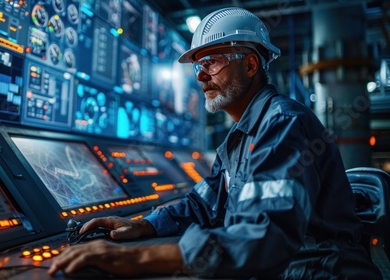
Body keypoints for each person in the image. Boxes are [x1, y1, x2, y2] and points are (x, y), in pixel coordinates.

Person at [48, 7, 382, 279]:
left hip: (316, 272)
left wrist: (138, 258)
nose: (200, 75)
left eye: (212, 61)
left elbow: (265, 238)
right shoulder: (238, 139)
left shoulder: (282, 124)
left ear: (251, 64)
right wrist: (144, 225)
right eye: (198, 64)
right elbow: (204, 204)